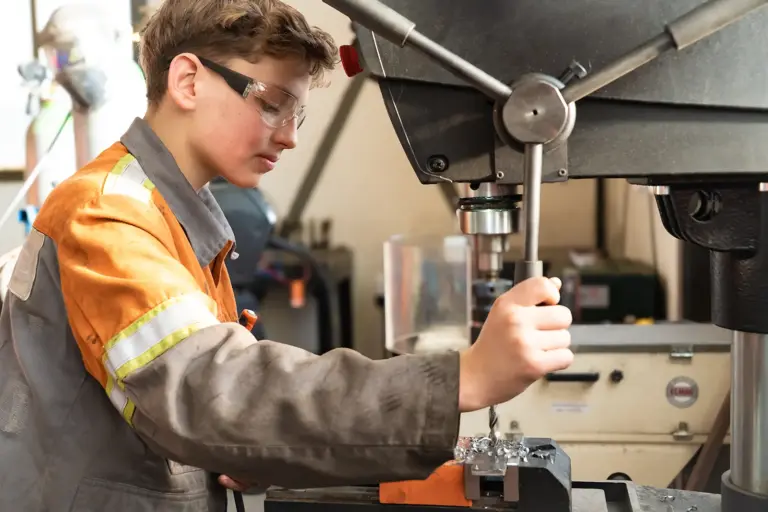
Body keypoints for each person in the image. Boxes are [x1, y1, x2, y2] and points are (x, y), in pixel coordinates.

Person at [0, 0, 574, 510]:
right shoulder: (107, 214)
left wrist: (255, 449)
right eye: (273, 103)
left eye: (295, 113)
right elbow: (209, 389)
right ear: (188, 81)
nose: (290, 135)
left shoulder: (174, 214)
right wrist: (461, 380)